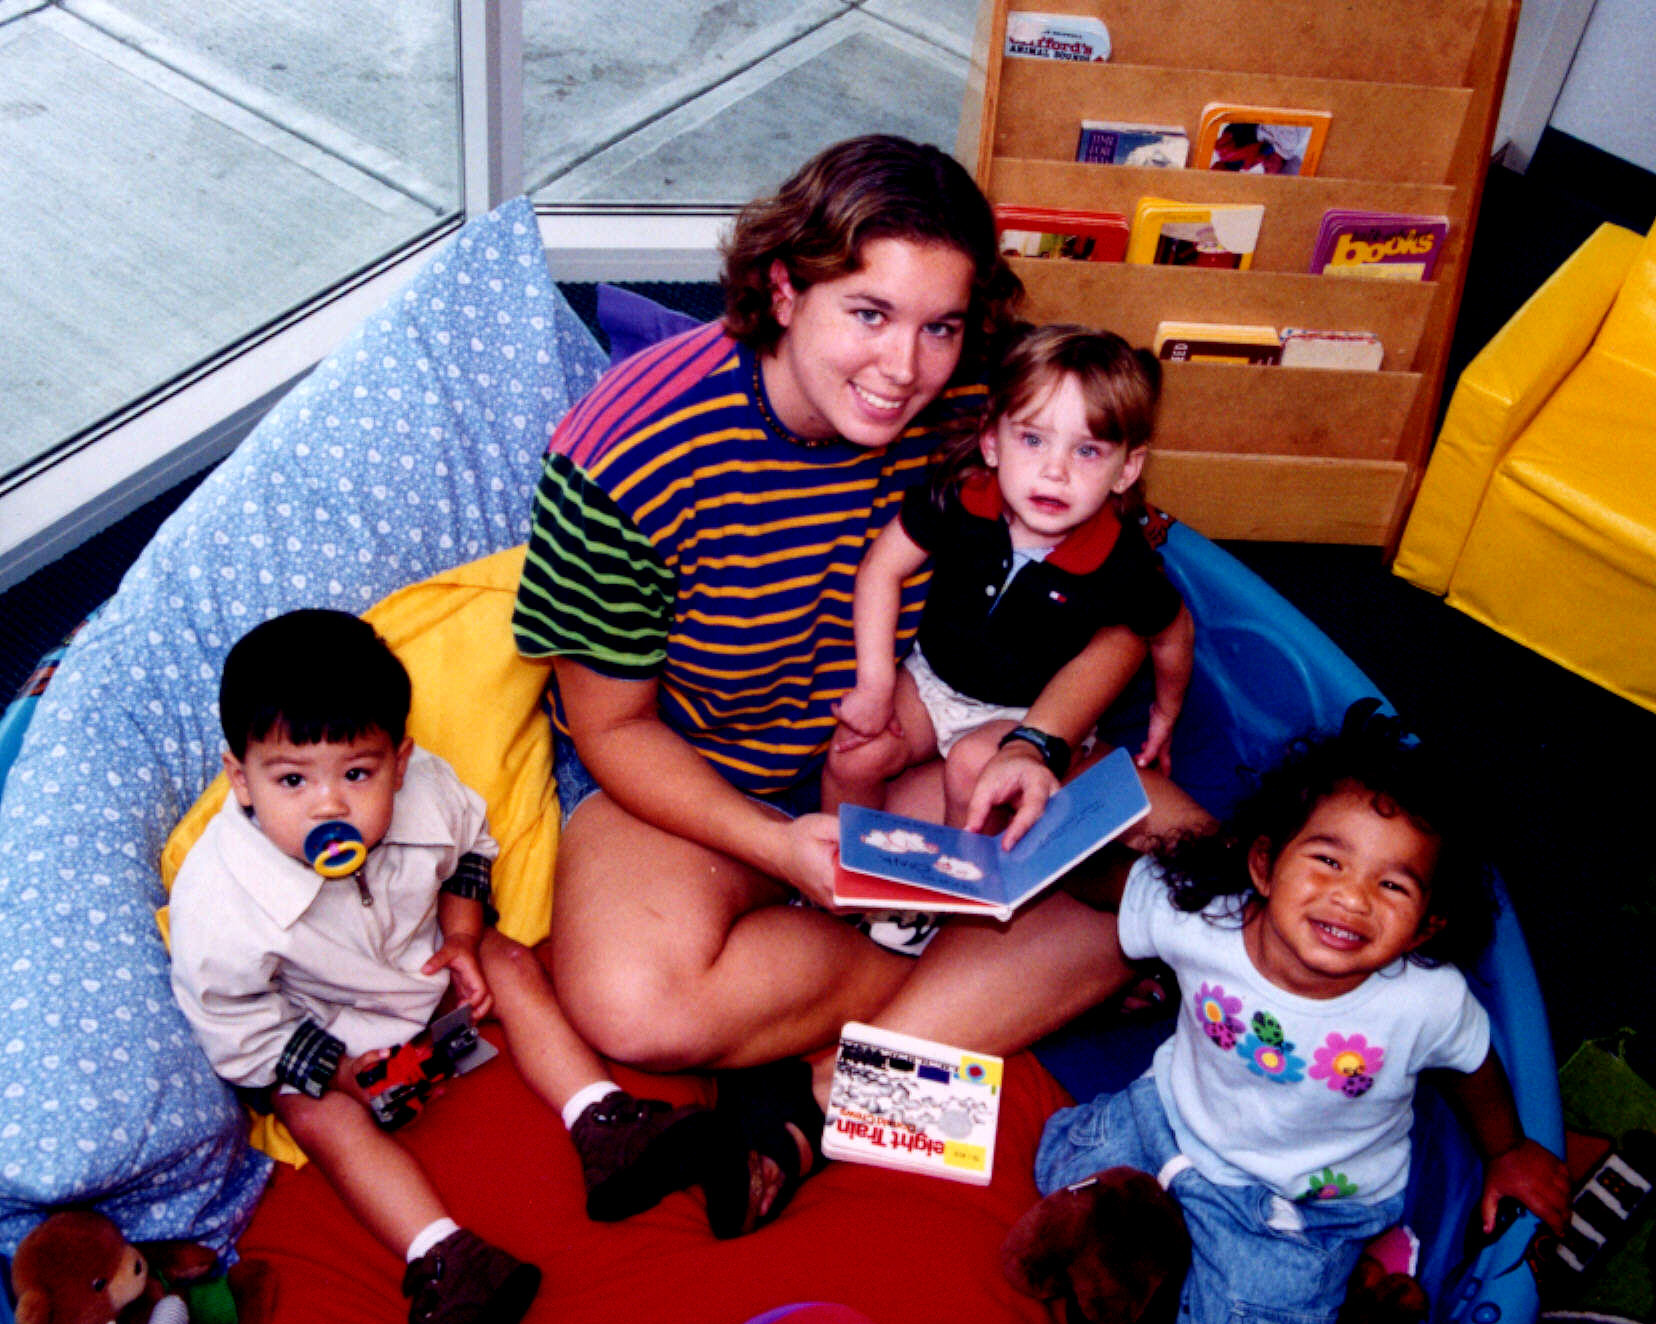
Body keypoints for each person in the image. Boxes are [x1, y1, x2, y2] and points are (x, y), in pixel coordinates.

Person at [511, 134, 1202, 1239]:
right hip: (698, 776)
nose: (904, 368)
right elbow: (612, 727)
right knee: (631, 1004)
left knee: (1193, 869)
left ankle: (821, 1095)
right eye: (869, 314)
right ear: (784, 290)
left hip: (923, 750)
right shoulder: (623, 453)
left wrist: (1038, 743)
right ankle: (947, 996)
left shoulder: (989, 397)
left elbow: (1121, 594)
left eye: (939, 326)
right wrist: (780, 846)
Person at [169, 610, 740, 1324]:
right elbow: (235, 1020)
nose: (329, 805)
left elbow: (470, 848)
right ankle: (442, 1255)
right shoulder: (218, 903)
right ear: (242, 780)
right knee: (314, 1116)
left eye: (357, 773)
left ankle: (605, 1120)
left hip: (429, 960)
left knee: (511, 961)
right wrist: (342, 1070)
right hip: (327, 1031)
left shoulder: (424, 791)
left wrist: (464, 938)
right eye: (291, 780)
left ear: (399, 761)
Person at [1011, 704, 1570, 1324]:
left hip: (1303, 1204)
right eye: (1328, 861)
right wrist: (1035, 842)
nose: (1351, 897)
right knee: (1061, 1171)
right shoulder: (1204, 918)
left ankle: (1355, 1283)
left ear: (1424, 928)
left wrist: (1507, 1151)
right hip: (1170, 1120)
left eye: (1392, 886)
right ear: (1265, 866)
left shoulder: (1424, 1000)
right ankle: (1171, 1244)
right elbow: (1118, 881)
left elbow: (1473, 1065)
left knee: (1250, 1310)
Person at [820, 323, 1195, 828]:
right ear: (992, 442)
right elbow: (881, 570)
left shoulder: (1120, 560)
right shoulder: (959, 498)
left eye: (1087, 451)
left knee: (973, 769)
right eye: (1033, 440)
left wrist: (1166, 713)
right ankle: (839, 863)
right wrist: (875, 683)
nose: (1055, 471)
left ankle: (958, 874)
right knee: (854, 752)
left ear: (1126, 470)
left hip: (1025, 714)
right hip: (932, 681)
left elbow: (1172, 629)